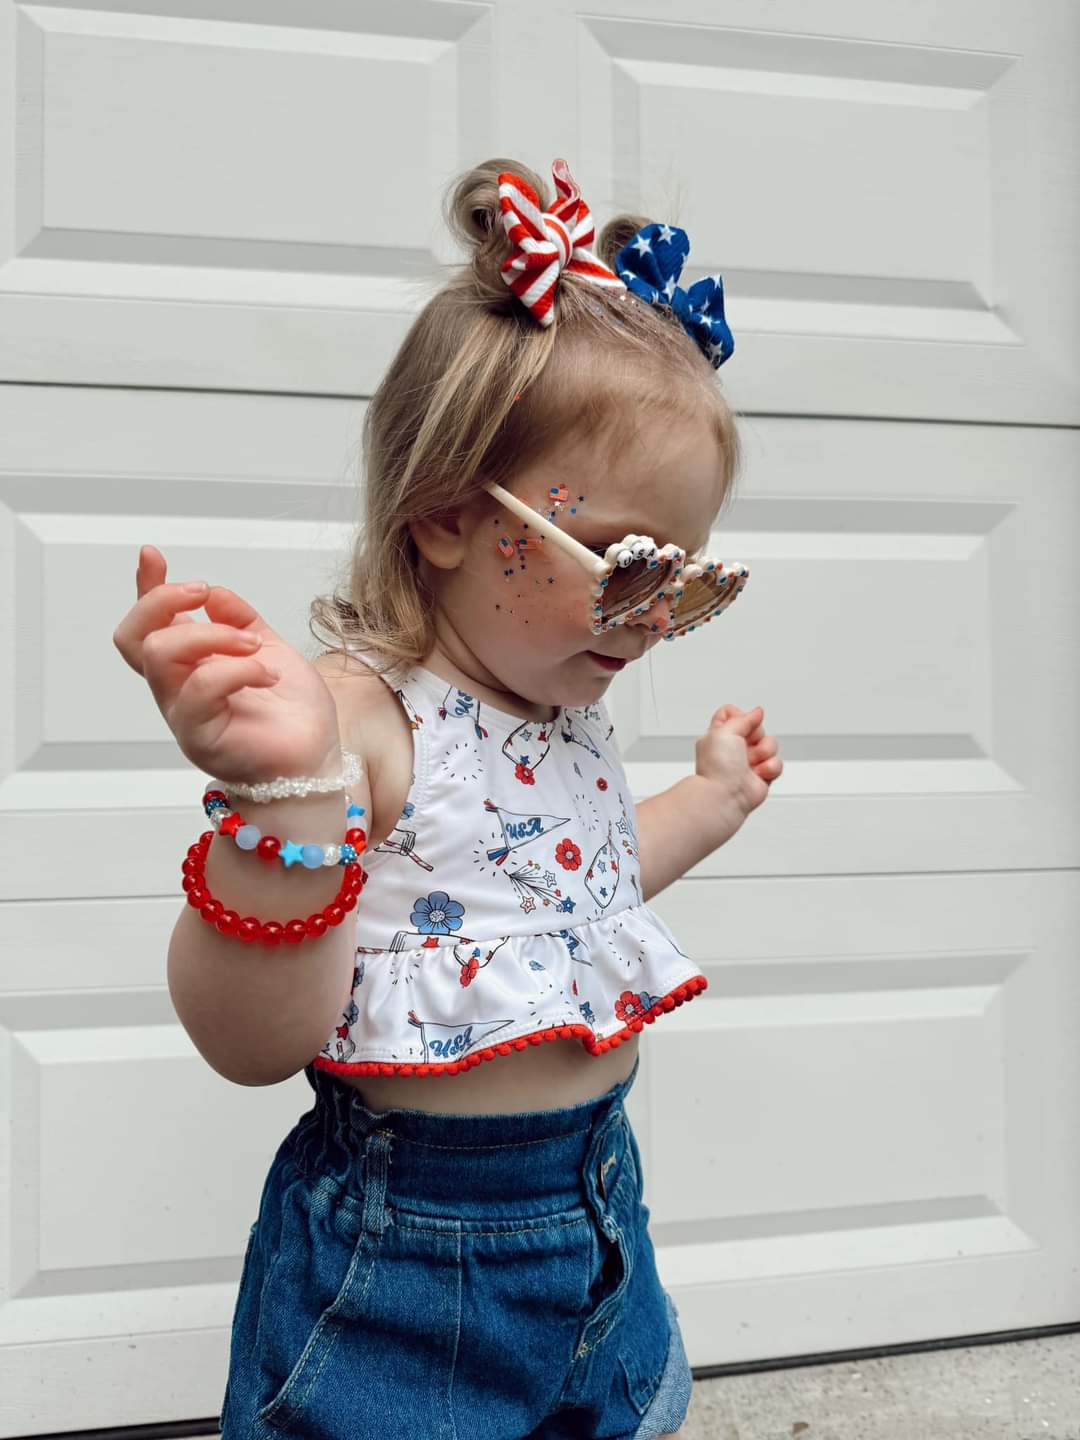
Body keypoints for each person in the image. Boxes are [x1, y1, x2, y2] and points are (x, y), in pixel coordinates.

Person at [113, 157, 782, 1440]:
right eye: (634, 566)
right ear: (441, 520)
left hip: (599, 1213)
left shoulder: (564, 707)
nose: (657, 618)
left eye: (692, 583)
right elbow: (251, 1042)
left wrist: (707, 803)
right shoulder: (354, 720)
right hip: (410, 1264)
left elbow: (566, 897)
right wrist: (286, 798)